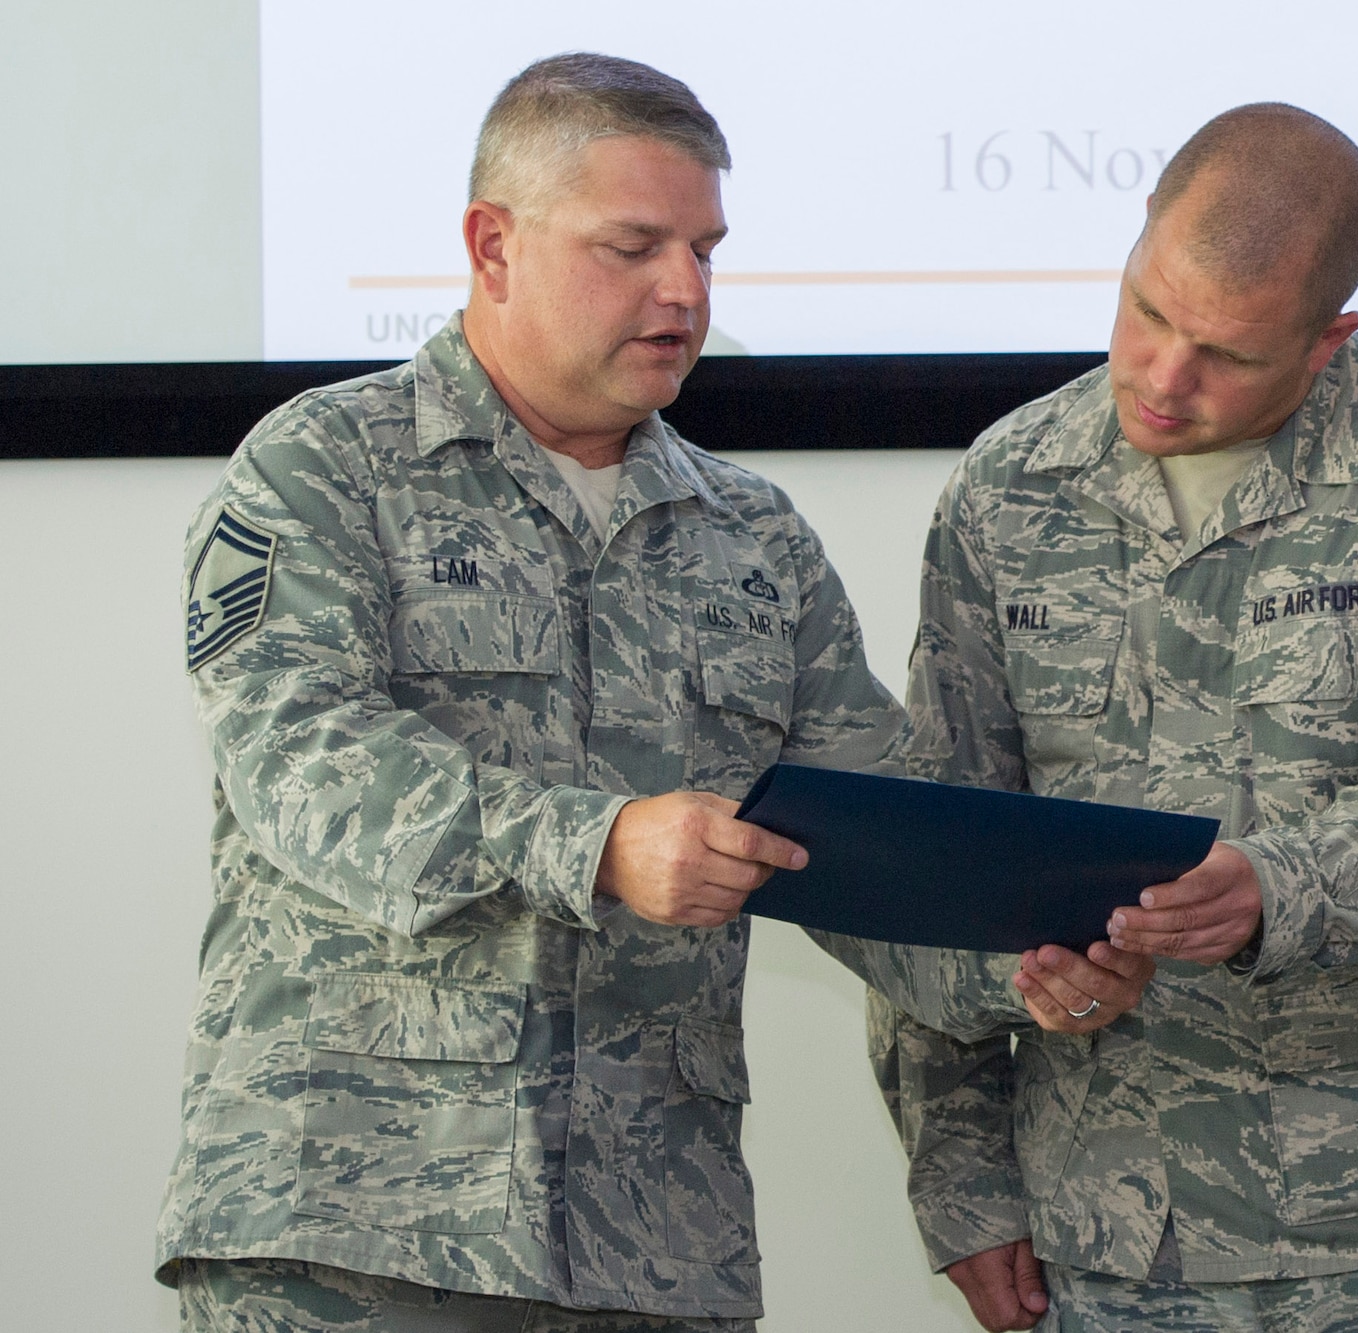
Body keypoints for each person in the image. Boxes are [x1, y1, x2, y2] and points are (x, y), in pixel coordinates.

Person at [157, 51, 1149, 1331]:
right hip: (353, 1231)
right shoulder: (318, 472)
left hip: (652, 1253)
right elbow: (306, 770)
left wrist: (1035, 961)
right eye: (631, 246)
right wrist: (601, 840)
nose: (682, 290)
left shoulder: (754, 538)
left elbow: (878, 845)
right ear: (491, 243)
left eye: (703, 249)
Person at [865, 104, 1358, 1332]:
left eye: (1229, 354)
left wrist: (1280, 881)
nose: (1163, 378)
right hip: (1118, 1233)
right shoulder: (1008, 491)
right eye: (1148, 312)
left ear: (1328, 342)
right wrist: (962, 1183)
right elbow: (935, 850)